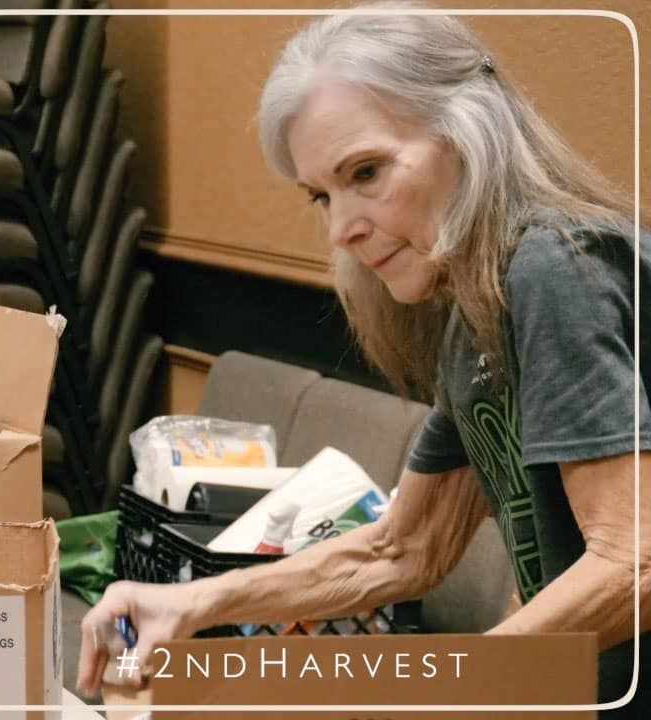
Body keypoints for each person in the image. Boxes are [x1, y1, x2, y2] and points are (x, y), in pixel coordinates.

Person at [77, 3, 650, 714]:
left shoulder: (552, 266)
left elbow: (634, 561)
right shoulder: (473, 306)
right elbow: (404, 550)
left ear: (471, 131)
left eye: (367, 172)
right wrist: (191, 602)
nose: (342, 227)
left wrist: (437, 691)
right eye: (323, 194)